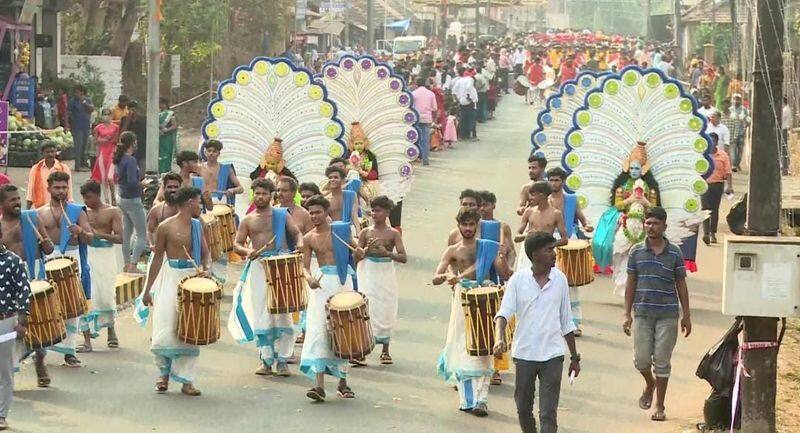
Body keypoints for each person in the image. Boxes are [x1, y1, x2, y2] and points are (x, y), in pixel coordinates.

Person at [494, 231, 581, 433]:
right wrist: (499, 339)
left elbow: (567, 321)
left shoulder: (560, 280)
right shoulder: (518, 280)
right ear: (535, 254)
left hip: (553, 355)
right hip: (524, 354)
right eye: (549, 249)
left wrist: (575, 357)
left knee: (548, 414)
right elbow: (503, 313)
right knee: (523, 408)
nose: (554, 253)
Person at [433, 208, 511, 417]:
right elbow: (436, 275)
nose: (468, 228)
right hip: (462, 299)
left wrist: (502, 258)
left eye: (471, 224)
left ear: (478, 226)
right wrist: (444, 277)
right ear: (458, 225)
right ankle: (468, 400)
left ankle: (482, 400)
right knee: (462, 346)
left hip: (485, 298)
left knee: (485, 348)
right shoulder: (452, 251)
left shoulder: (489, 247)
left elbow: (505, 274)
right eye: (464, 224)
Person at [622, 206, 691, 422]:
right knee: (641, 360)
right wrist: (626, 313)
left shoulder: (675, 253)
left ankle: (660, 406)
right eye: (648, 223)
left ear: (664, 226)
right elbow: (630, 284)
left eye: (655, 223)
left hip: (668, 314)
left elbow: (681, 284)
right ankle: (649, 383)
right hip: (642, 313)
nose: (651, 227)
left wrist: (686, 315)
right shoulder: (636, 252)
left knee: (662, 361)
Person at [229, 179, 303, 377]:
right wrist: (248, 250)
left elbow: (297, 234)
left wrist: (301, 245)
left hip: (281, 266)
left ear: (271, 195)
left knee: (283, 313)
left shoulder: (281, 215)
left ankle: (283, 360)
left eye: (264, 193)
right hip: (258, 267)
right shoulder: (248, 219)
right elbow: (236, 244)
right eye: (257, 193)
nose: (260, 197)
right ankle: (266, 360)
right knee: (262, 313)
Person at [140, 187, 208, 396]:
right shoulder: (165, 227)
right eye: (198, 202)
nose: (200, 206)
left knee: (190, 328)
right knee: (167, 326)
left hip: (193, 280)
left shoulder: (198, 226)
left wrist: (206, 270)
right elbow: (158, 258)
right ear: (189, 202)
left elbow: (206, 254)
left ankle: (187, 381)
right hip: (170, 279)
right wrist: (147, 289)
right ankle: (163, 375)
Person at [299, 195, 364, 402]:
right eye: (311, 212)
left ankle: (343, 382)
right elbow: (305, 266)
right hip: (321, 284)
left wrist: (360, 253)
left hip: (342, 284)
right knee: (319, 331)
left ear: (326, 212)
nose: (314, 216)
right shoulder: (309, 238)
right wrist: (309, 278)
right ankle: (318, 385)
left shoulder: (341, 231)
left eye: (318, 212)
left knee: (343, 331)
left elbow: (355, 254)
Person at [36, 171, 94, 367]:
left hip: (72, 258)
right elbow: (36, 243)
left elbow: (90, 237)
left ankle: (69, 351)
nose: (61, 191)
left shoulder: (77, 211)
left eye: (64, 187)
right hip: (48, 260)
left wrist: (80, 231)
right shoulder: (39, 213)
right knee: (47, 307)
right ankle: (42, 351)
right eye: (57, 188)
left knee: (72, 305)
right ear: (49, 189)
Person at [0, 185, 53, 387]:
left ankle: (40, 361)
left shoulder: (31, 219)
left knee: (36, 321)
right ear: (1, 205)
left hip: (33, 273)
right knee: (12, 324)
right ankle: (9, 373)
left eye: (18, 198)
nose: (17, 202)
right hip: (10, 280)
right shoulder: (0, 227)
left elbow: (47, 247)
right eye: (11, 200)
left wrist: (46, 243)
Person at [356, 196, 407, 365]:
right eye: (372, 210)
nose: (374, 213)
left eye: (378, 210)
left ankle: (385, 350)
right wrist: (364, 250)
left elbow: (403, 257)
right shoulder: (365, 232)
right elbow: (356, 255)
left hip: (385, 272)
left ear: (387, 212)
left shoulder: (393, 233)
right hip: (368, 271)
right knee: (366, 307)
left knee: (386, 307)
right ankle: (363, 349)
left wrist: (387, 253)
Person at [546, 167, 594, 335]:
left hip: (569, 242)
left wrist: (586, 225)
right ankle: (553, 323)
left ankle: (574, 324)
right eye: (551, 180)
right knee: (549, 283)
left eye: (557, 180)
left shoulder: (572, 200)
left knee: (571, 284)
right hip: (549, 243)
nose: (554, 183)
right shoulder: (544, 200)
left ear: (563, 181)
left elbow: (581, 218)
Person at [79, 180, 123, 351]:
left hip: (106, 255)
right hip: (87, 254)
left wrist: (100, 235)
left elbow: (120, 238)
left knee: (106, 294)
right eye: (84, 198)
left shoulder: (112, 212)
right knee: (87, 295)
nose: (86, 201)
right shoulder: (82, 213)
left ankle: (111, 331)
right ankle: (87, 339)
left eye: (89, 197)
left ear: (97, 194)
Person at [0, 222, 31, 431]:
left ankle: (1, 415)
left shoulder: (13, 261)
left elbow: (23, 291)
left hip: (5, 321)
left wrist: (21, 320)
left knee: (4, 371)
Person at [114, 131, 148, 273]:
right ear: (133, 143)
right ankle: (133, 264)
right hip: (133, 199)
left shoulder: (119, 158)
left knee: (127, 232)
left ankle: (126, 263)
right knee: (142, 234)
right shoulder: (131, 160)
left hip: (122, 197)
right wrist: (144, 184)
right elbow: (132, 182)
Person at [515, 181, 568, 269]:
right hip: (529, 253)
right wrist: (527, 236)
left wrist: (548, 245)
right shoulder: (529, 211)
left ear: (541, 195)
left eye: (533, 195)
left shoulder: (556, 214)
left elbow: (564, 240)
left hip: (547, 255)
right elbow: (516, 237)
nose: (530, 198)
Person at [701, 133, 733, 245]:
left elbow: (728, 172)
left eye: (713, 141)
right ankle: (705, 233)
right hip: (704, 185)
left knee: (714, 210)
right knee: (705, 209)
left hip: (717, 185)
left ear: (716, 142)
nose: (711, 143)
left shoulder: (723, 155)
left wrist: (729, 186)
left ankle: (712, 233)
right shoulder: (702, 155)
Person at [26, 141, 72, 209]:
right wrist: (27, 210)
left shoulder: (64, 168)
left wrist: (70, 207)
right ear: (42, 153)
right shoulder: (35, 169)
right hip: (40, 208)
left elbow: (69, 189)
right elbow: (30, 191)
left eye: (52, 151)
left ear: (56, 152)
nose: (50, 154)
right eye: (47, 152)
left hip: (60, 207)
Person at [200, 139, 243, 206]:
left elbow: (241, 188)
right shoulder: (198, 168)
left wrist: (232, 190)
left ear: (218, 154)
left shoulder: (226, 168)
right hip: (202, 202)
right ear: (205, 152)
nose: (211, 153)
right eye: (209, 151)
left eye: (214, 151)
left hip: (221, 203)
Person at [91, 108, 120, 205]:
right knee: (103, 177)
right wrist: (102, 140)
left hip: (112, 152)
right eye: (104, 114)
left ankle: (113, 195)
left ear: (111, 116)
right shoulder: (98, 128)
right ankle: (107, 199)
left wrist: (109, 140)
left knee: (110, 177)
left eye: (108, 114)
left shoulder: (116, 127)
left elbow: (116, 140)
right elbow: (94, 141)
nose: (106, 116)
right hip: (102, 153)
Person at [147, 172, 182, 248]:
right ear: (164, 188)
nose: (173, 190)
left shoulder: (187, 207)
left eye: (176, 187)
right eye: (170, 187)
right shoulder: (156, 210)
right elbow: (149, 231)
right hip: (162, 251)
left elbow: (202, 227)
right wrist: (151, 244)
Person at [324, 165, 361, 232]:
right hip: (333, 231)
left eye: (336, 177)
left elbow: (354, 215)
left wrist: (358, 232)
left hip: (349, 230)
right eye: (330, 177)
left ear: (342, 180)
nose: (332, 179)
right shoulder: (325, 200)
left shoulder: (351, 195)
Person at [412, 77, 438, 166]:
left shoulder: (414, 93)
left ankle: (417, 157)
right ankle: (425, 159)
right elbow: (435, 108)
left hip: (416, 118)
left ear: (416, 84)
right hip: (427, 118)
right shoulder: (431, 94)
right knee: (426, 139)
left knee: (415, 138)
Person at [68, 84, 94, 171]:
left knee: (85, 146)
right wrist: (67, 125)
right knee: (78, 146)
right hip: (77, 126)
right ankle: (78, 166)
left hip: (86, 126)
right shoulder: (72, 101)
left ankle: (84, 163)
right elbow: (68, 113)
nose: (76, 94)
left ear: (82, 92)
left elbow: (91, 109)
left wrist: (83, 102)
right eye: (75, 92)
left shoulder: (87, 100)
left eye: (78, 92)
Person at [451, 67, 478, 141]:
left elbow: (453, 91)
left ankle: (462, 135)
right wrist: (469, 97)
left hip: (462, 102)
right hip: (469, 102)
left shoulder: (459, 81)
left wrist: (457, 100)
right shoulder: (470, 79)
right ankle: (473, 135)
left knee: (463, 120)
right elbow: (469, 87)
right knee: (472, 119)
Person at [724, 95, 750, 172]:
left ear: (740, 100)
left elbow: (748, 119)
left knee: (740, 150)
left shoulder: (744, 110)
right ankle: (734, 165)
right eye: (734, 99)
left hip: (741, 132)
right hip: (732, 133)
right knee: (733, 150)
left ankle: (737, 163)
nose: (736, 101)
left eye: (738, 99)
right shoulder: (730, 109)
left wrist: (747, 124)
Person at [120, 100, 147, 169]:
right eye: (130, 109)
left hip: (142, 147)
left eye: (134, 109)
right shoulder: (124, 119)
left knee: (142, 168)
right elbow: (122, 132)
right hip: (129, 148)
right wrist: (128, 119)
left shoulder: (144, 119)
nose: (133, 111)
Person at [157, 97, 178, 173]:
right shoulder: (157, 113)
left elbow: (174, 125)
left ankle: (166, 170)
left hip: (167, 138)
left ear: (164, 104)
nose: (159, 105)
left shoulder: (170, 113)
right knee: (159, 154)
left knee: (166, 153)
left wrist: (166, 130)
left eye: (160, 103)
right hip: (158, 137)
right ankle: (160, 170)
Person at [782, 96, 793, 175]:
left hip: (783, 129)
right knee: (784, 148)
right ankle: (785, 167)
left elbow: (781, 118)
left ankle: (784, 167)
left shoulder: (785, 110)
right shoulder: (787, 109)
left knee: (783, 148)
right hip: (785, 128)